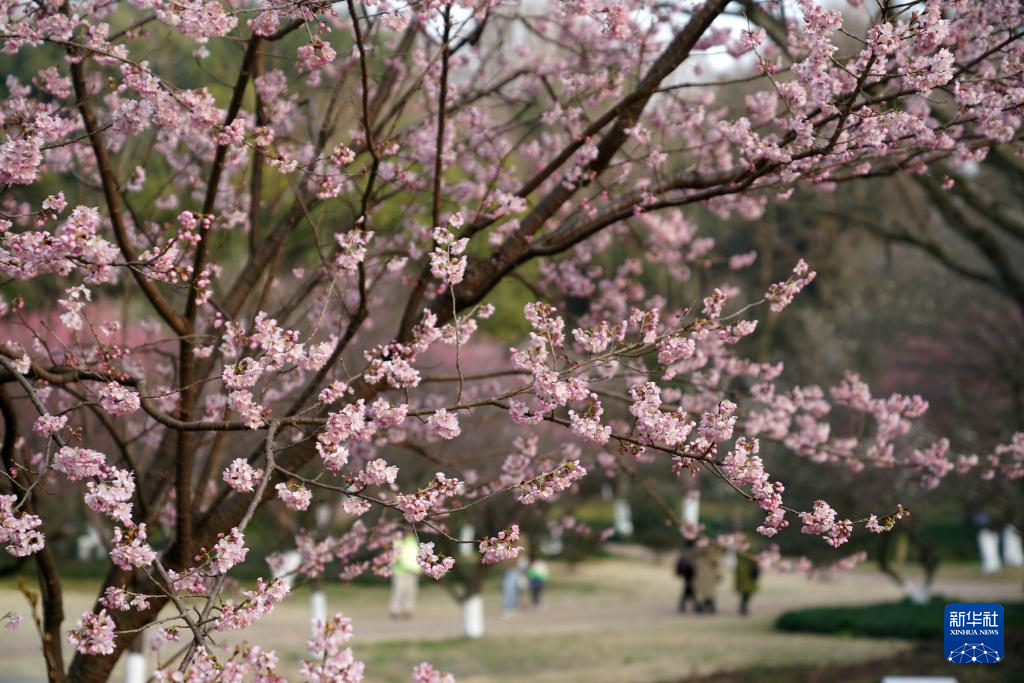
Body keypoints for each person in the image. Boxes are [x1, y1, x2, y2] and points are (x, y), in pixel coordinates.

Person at [389, 533, 421, 619]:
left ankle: (408, 610)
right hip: (400, 572)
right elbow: (396, 558)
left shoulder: (413, 542)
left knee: (411, 592)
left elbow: (417, 557)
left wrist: (418, 570)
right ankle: (395, 610)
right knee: (398, 591)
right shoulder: (398, 542)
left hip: (412, 572)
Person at [693, 543, 723, 614]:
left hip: (709, 575)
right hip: (702, 574)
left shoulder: (713, 552)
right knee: (702, 591)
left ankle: (707, 605)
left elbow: (716, 563)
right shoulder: (699, 551)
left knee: (709, 592)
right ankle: (701, 606)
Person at [675, 540, 698, 613]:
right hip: (690, 571)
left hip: (688, 572)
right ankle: (695, 605)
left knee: (688, 588)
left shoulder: (684, 549)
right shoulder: (692, 549)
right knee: (691, 588)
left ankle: (684, 605)